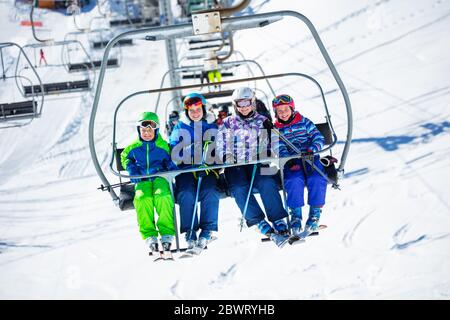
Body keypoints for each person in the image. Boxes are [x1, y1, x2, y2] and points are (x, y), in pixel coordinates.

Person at [216, 86, 289, 244]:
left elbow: (273, 141)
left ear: (253, 102)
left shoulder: (263, 121)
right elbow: (221, 143)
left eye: (247, 103)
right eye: (240, 104)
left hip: (258, 161)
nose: (244, 107)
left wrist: (270, 153)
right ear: (235, 105)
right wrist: (227, 156)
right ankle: (258, 221)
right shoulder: (228, 123)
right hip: (235, 165)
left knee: (267, 181)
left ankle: (278, 220)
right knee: (238, 187)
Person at [169, 92, 220, 254]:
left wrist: (212, 157)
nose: (195, 113)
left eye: (198, 109)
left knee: (210, 191)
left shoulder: (212, 125)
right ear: (186, 112)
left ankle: (206, 231)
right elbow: (175, 152)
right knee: (185, 193)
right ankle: (190, 233)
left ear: (204, 109)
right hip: (186, 170)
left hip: (207, 169)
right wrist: (195, 150)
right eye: (192, 111)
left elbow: (220, 146)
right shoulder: (180, 127)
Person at [120, 112, 178, 254]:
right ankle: (149, 235)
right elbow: (124, 158)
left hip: (160, 178)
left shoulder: (163, 146)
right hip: (142, 179)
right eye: (143, 130)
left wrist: (171, 168)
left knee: (162, 196)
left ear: (156, 131)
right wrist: (132, 169)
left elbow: (171, 160)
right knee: (142, 198)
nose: (146, 133)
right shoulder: (133, 147)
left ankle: (167, 233)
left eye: (150, 131)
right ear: (139, 130)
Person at [271, 94, 327, 236]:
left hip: (310, 157)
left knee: (317, 178)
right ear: (276, 113)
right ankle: (296, 215)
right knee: (293, 180)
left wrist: (312, 149)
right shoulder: (276, 129)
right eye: (279, 111)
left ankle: (315, 213)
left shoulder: (304, 122)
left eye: (286, 109)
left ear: (292, 109)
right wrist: (287, 158)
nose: (283, 113)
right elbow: (277, 145)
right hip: (292, 161)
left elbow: (318, 137)